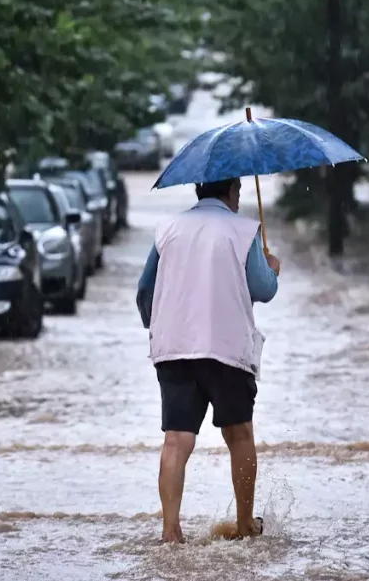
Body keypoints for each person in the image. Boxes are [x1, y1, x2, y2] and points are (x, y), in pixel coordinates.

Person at [136, 177, 280, 544]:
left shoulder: (167, 228)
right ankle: (245, 524)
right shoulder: (245, 231)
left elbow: (144, 292)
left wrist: (158, 324)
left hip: (174, 348)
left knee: (176, 440)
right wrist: (272, 267)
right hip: (226, 348)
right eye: (238, 193)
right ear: (232, 191)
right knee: (239, 434)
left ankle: (170, 531)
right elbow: (263, 289)